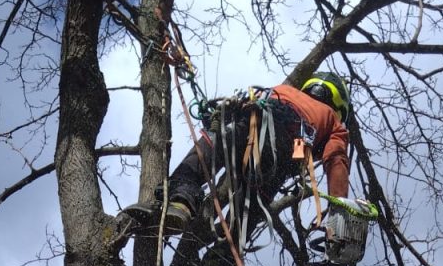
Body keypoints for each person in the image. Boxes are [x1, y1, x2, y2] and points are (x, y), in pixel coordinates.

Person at [124, 73, 352, 238]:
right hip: (281, 158)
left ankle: (180, 201)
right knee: (243, 226)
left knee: (210, 150)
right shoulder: (333, 120)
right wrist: (339, 214)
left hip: (253, 125)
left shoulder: (282, 91)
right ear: (338, 104)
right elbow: (336, 159)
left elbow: (241, 106)